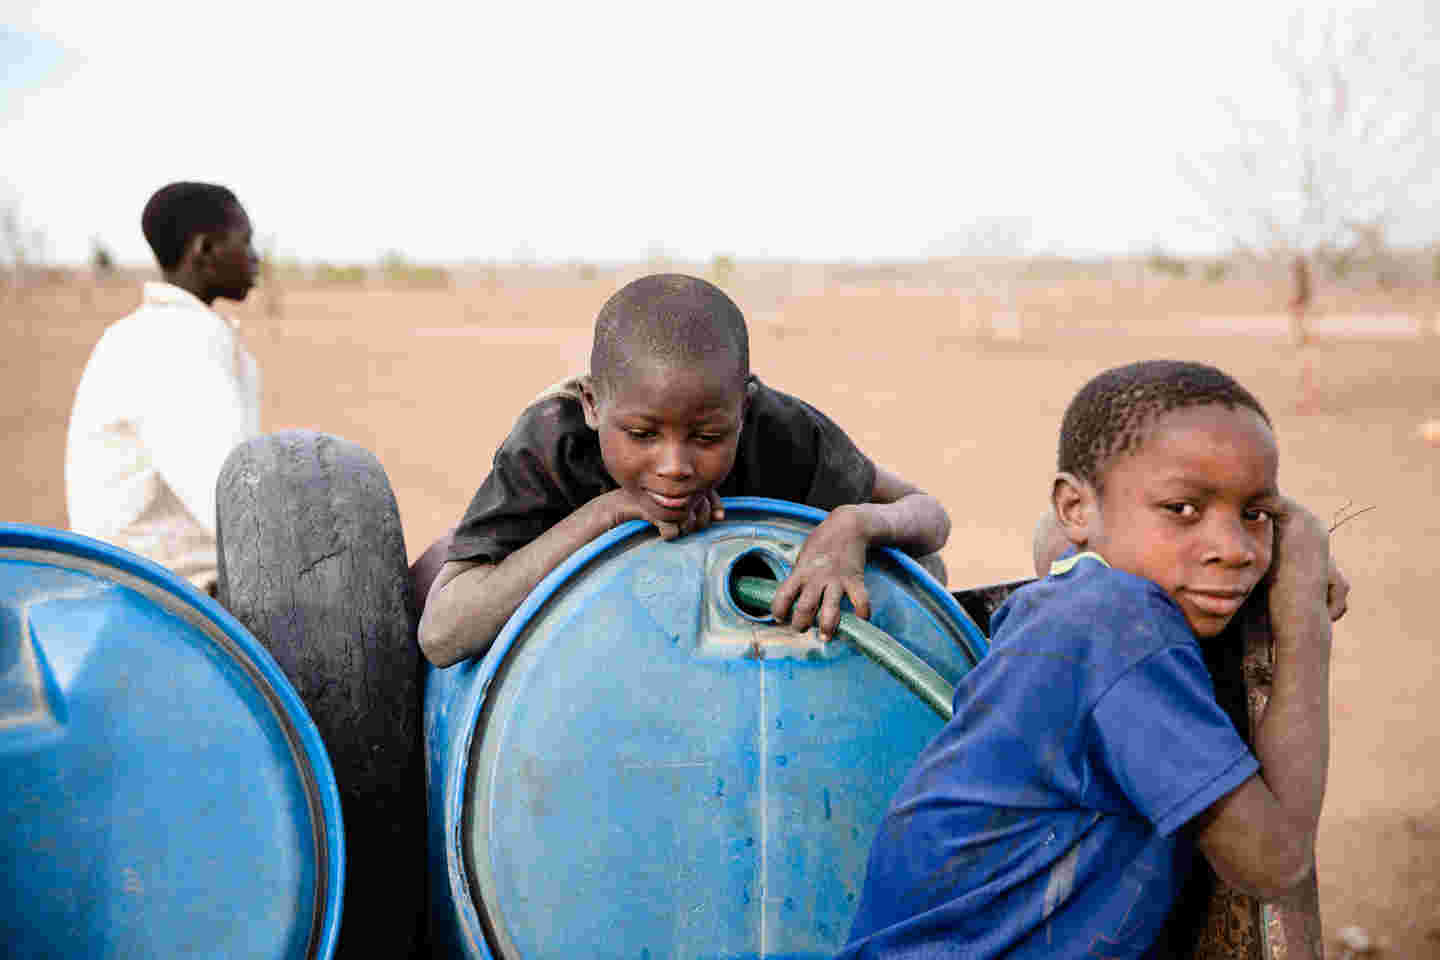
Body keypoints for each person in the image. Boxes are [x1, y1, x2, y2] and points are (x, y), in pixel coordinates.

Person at [838, 360, 1343, 958]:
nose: (1234, 550)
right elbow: (1274, 861)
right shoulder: (1118, 626)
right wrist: (1302, 613)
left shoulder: (1069, 597)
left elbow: (1053, 539)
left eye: (1257, 515)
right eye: (1183, 509)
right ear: (1076, 507)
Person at [418, 273, 951, 667]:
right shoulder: (552, 443)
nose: (675, 467)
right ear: (592, 404)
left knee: (920, 572)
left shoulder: (779, 430)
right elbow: (442, 635)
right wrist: (608, 513)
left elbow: (929, 520)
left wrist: (852, 526)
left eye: (707, 438)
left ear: (742, 409)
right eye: (643, 436)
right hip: (579, 661)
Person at [65, 182, 261, 594]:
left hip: (145, 582)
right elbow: (232, 508)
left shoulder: (156, 332)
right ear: (204, 250)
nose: (255, 257)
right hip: (166, 593)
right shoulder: (175, 344)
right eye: (245, 241)